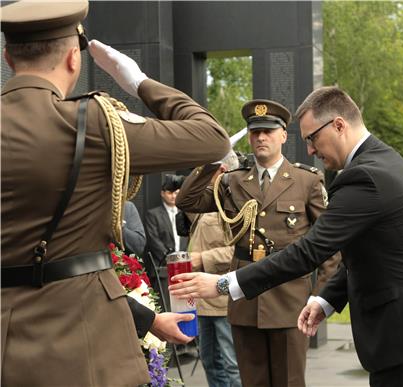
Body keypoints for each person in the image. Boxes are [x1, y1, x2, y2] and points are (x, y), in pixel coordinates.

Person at [0, 1, 230, 385]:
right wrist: (138, 81)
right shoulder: (91, 127)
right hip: (86, 350)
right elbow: (212, 139)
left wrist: (149, 320)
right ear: (75, 58)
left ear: (8, 56)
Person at [171, 87, 403, 387]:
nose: (310, 149)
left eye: (312, 138)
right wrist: (326, 299)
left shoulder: (365, 176)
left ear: (338, 125)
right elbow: (364, 253)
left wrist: (224, 283)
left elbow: (309, 251)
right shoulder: (379, 161)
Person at [176, 99, 341, 387]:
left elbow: (329, 247)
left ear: (283, 136)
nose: (261, 137)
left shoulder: (307, 181)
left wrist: (319, 296)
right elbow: (186, 200)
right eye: (255, 132)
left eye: (268, 131)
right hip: (246, 303)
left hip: (290, 301)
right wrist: (211, 160)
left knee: (289, 382)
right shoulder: (233, 181)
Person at [187, 151, 242, 387]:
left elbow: (239, 251)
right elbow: (186, 199)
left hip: (222, 298)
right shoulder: (209, 201)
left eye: (204, 170)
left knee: (231, 365)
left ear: (220, 171)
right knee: (210, 362)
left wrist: (202, 258)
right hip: (203, 301)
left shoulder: (235, 203)